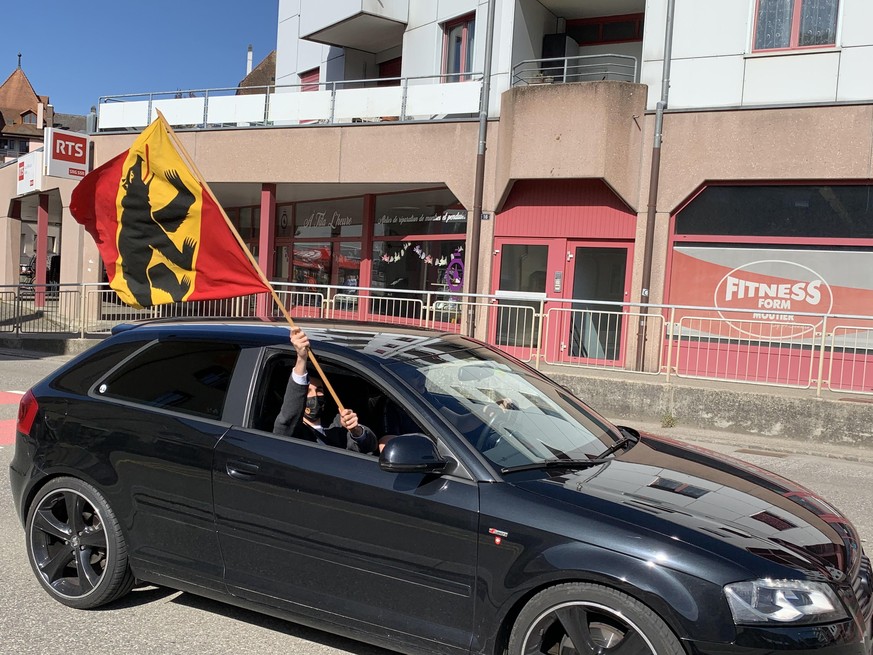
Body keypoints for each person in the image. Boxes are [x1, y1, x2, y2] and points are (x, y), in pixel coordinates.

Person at [273, 326, 378, 454]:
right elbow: (288, 418)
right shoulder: (293, 431)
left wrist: (356, 430)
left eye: (319, 390)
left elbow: (369, 446)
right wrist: (301, 358)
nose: (315, 395)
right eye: (308, 391)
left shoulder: (337, 423)